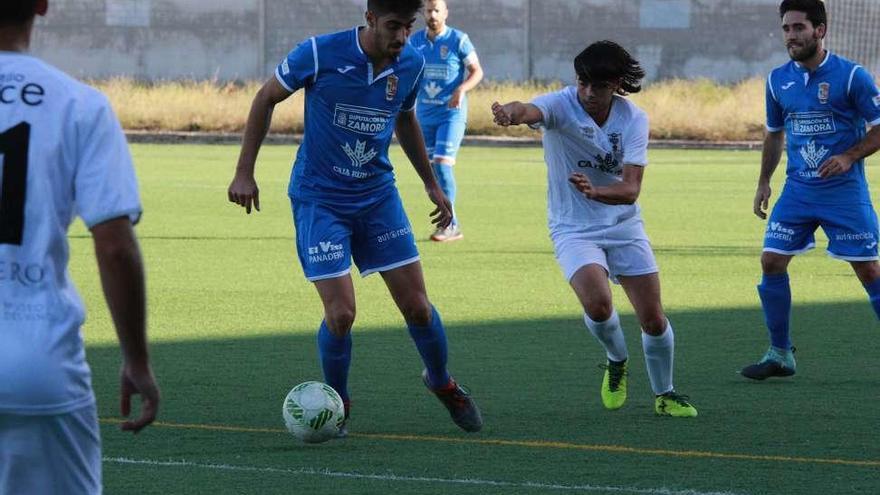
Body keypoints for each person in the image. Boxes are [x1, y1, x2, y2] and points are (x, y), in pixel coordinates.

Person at [227, 0, 482, 434]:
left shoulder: (412, 63)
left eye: (408, 26)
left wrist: (430, 183)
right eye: (392, 26)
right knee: (341, 314)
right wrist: (244, 171)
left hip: (378, 197)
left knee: (418, 307)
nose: (402, 36)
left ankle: (441, 382)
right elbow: (266, 97)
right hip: (319, 198)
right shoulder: (319, 52)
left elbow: (405, 119)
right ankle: (337, 402)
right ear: (369, 20)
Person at [0, 1, 161, 493]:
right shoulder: (79, 103)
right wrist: (136, 359)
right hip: (38, 360)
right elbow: (114, 246)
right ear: (43, 5)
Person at [491, 41, 698, 417]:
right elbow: (529, 109)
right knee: (598, 305)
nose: (588, 92)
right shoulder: (560, 105)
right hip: (573, 228)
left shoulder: (634, 119)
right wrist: (510, 111)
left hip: (623, 225)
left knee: (653, 318)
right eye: (583, 82)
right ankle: (617, 360)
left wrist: (596, 191)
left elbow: (631, 189)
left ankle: (665, 395)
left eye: (598, 86)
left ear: (616, 84)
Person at [741, 0, 880, 380]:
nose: (791, 35)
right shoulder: (776, 80)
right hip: (798, 190)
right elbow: (774, 134)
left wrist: (850, 156)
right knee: (771, 261)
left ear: (820, 30)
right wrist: (764, 181)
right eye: (786, 28)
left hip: (844, 192)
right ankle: (780, 354)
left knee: (868, 270)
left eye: (799, 28)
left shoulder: (852, 76)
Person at [410, 0, 483, 242]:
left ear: (445, 13)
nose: (432, 15)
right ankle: (446, 223)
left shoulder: (458, 40)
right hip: (424, 115)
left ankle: (452, 224)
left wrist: (461, 90)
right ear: (424, 13)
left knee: (442, 164)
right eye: (428, 10)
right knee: (432, 171)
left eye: (436, 10)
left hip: (451, 113)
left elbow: (477, 71)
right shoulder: (415, 41)